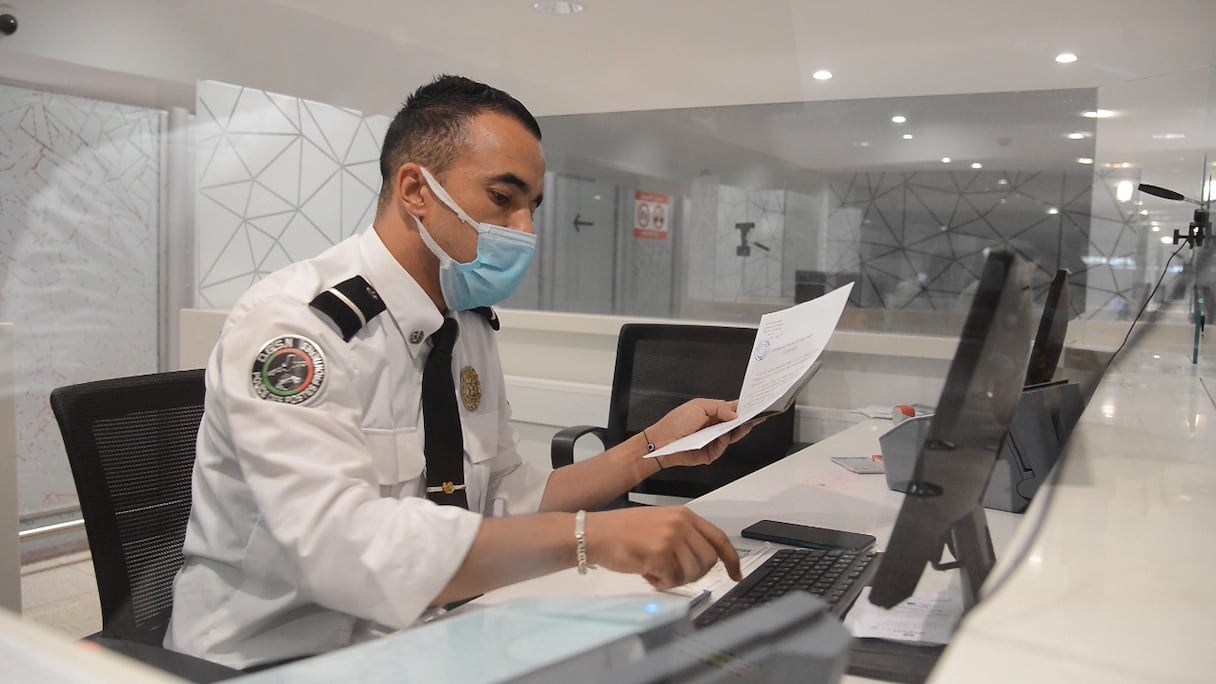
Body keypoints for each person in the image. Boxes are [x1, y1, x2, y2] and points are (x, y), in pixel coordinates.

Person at [164, 75, 754, 670]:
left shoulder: (463, 325)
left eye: (532, 208)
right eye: (504, 198)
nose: (525, 230)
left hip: (424, 637)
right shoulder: (297, 328)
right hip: (276, 658)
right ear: (416, 189)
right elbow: (340, 549)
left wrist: (652, 450)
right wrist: (592, 538)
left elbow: (506, 495)